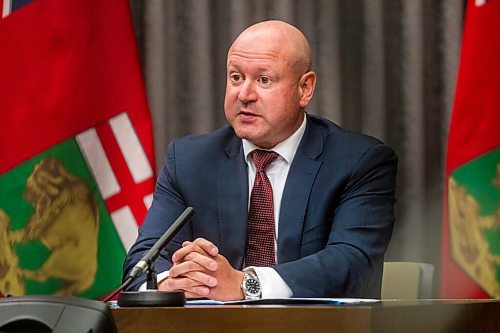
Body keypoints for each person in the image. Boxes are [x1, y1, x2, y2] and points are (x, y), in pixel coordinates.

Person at [123, 20, 397, 301]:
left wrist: (245, 284)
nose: (244, 94)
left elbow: (353, 263)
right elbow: (143, 260)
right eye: (236, 77)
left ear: (305, 88)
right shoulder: (189, 160)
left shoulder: (359, 162)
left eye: (264, 80)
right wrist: (173, 283)